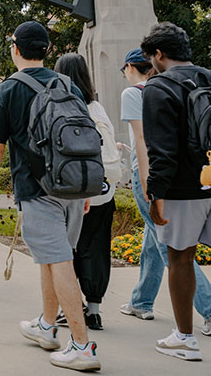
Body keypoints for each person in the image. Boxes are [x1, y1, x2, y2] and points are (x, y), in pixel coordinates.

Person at [0, 21, 100, 371]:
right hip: (74, 184)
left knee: (59, 260)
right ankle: (47, 326)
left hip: (38, 188)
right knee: (52, 256)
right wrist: (86, 183)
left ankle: (82, 345)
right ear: (46, 50)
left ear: (15, 49)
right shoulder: (69, 84)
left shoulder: (9, 89)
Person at [119, 47, 211, 337]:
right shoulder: (205, 81)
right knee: (152, 240)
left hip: (156, 175)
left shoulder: (137, 92)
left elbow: (145, 142)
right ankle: (140, 301)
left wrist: (151, 188)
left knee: (175, 252)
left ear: (133, 67)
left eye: (124, 69)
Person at [54, 53, 118, 331]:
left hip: (74, 190)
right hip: (104, 188)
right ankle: (94, 310)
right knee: (97, 248)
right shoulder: (97, 107)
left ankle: (70, 306)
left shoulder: (62, 106)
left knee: (66, 249)